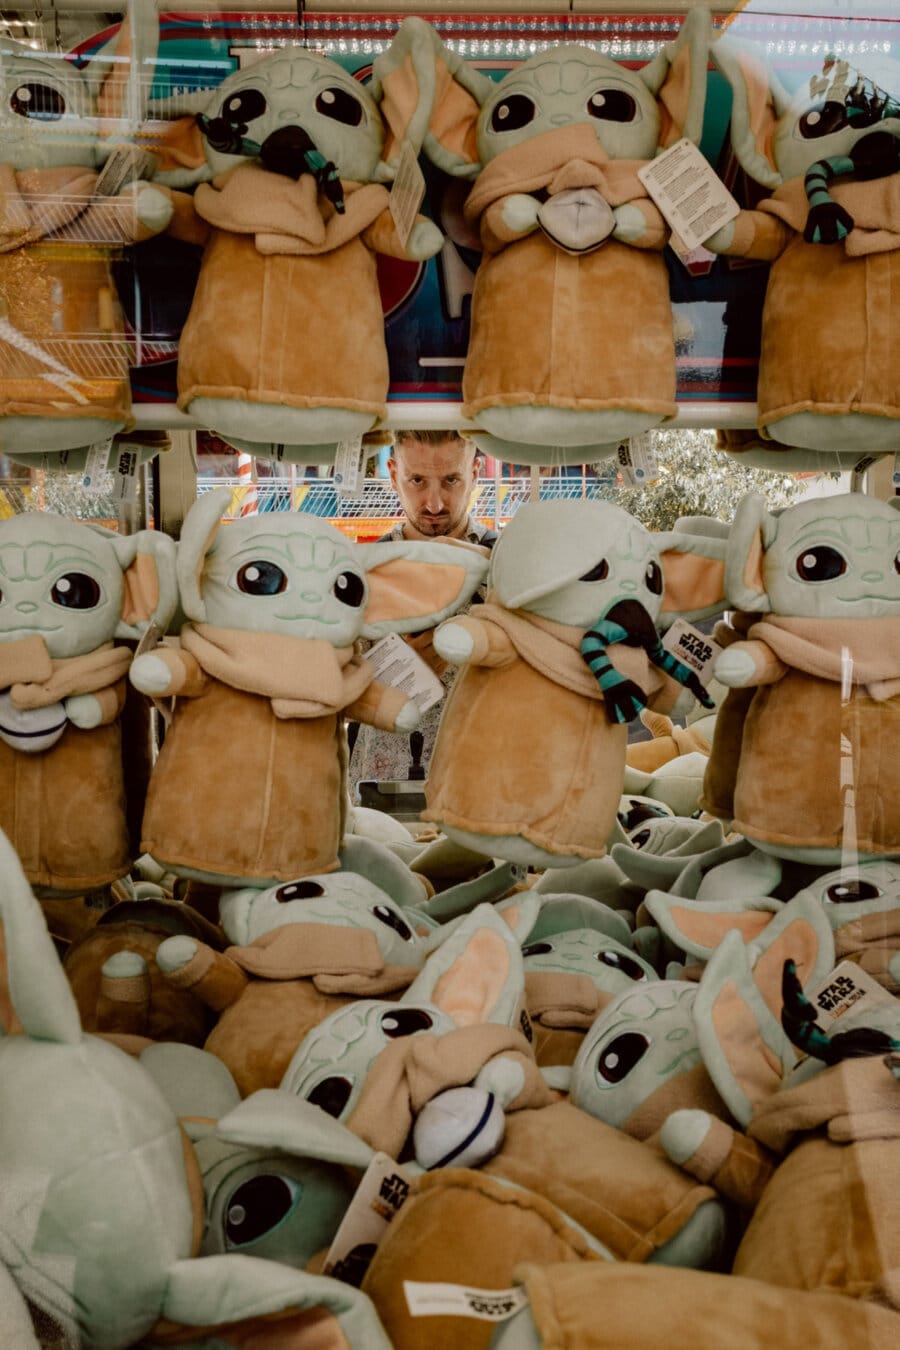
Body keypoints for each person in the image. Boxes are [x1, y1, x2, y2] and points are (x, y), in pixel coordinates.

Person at [349, 430, 498, 792]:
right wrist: (393, 674)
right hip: (378, 786)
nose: (434, 504)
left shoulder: (509, 568)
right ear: (392, 473)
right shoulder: (357, 574)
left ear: (475, 475)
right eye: (417, 480)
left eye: (451, 480)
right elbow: (328, 685)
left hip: (489, 781)